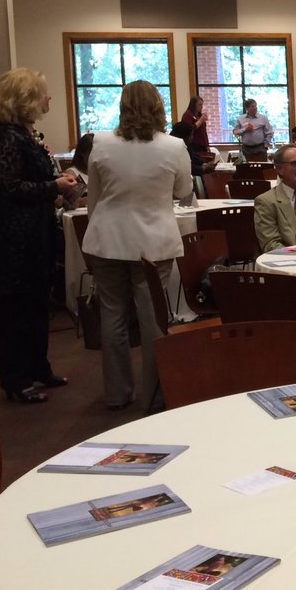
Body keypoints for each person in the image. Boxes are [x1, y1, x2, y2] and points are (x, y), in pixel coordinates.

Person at [84, 80, 192, 411]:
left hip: (107, 239)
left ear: (122, 106)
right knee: (152, 320)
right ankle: (155, 394)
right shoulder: (174, 146)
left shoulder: (100, 141)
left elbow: (94, 197)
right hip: (154, 242)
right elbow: (183, 191)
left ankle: (117, 393)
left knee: (112, 316)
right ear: (159, 107)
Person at [0, 68, 79, 404]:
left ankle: (38, 367)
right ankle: (16, 379)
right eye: (42, 93)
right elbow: (8, 188)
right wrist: (54, 186)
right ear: (24, 99)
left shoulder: (24, 135)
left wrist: (55, 187)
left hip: (34, 233)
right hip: (14, 238)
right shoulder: (6, 138)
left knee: (37, 304)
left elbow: (29, 183)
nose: (48, 98)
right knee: (16, 310)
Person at [180, 96, 213, 162]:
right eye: (199, 105)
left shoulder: (199, 115)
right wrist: (200, 121)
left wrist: (207, 145)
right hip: (193, 145)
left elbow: (204, 132)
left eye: (202, 105)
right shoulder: (187, 115)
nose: (201, 107)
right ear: (193, 105)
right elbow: (189, 129)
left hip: (202, 145)